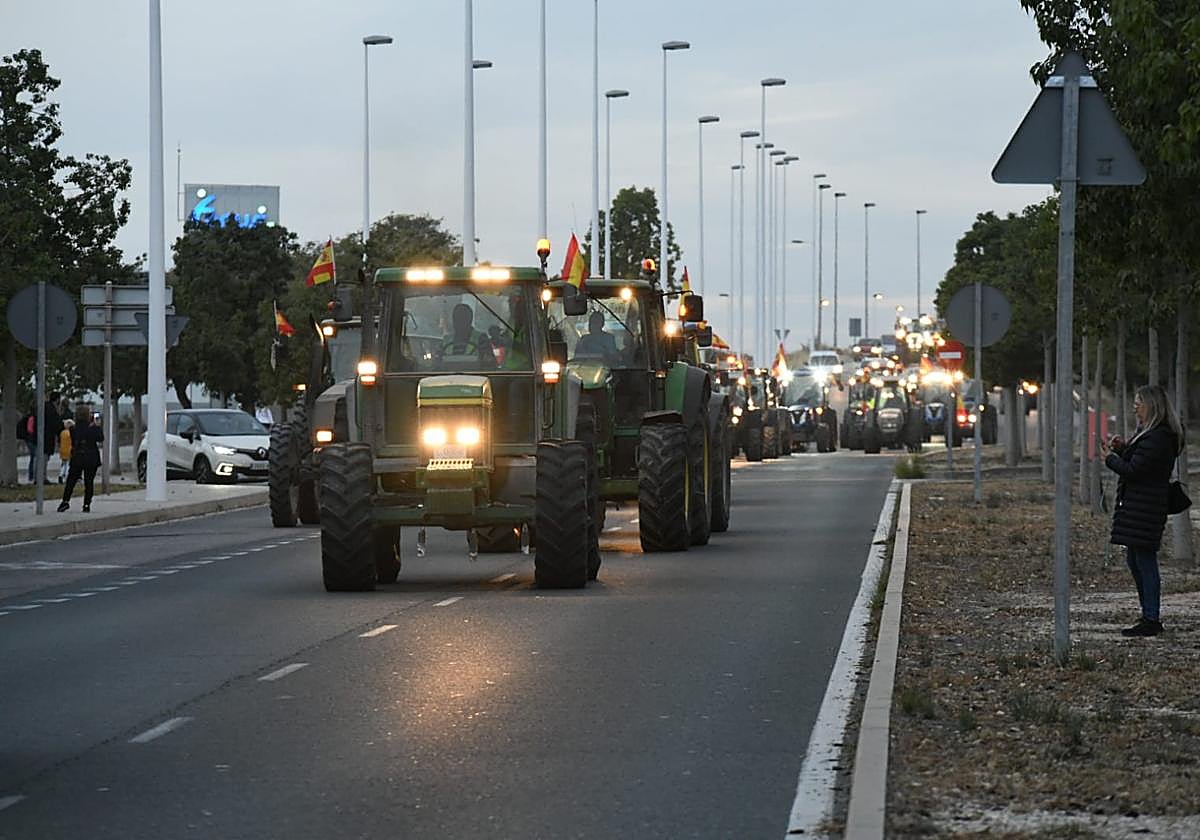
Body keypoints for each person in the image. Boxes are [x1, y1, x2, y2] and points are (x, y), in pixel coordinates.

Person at [1102, 384, 1184, 637]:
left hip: (1146, 507)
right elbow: (1141, 462)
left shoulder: (1157, 437)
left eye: (1139, 402)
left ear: (1152, 405)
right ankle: (1148, 614)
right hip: (1141, 506)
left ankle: (1151, 617)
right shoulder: (1150, 435)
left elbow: (1135, 471)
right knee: (1136, 560)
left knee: (1145, 561)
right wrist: (1123, 449)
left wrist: (1111, 459)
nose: (1135, 406)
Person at [58, 409, 103, 513]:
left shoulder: (74, 429)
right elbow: (100, 438)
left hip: (77, 457)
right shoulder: (92, 428)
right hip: (91, 458)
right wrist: (97, 425)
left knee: (71, 480)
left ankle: (65, 501)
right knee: (89, 482)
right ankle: (86, 505)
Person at [58, 418, 75, 483]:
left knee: (63, 464)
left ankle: (61, 474)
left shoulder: (62, 432)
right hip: (69, 450)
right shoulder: (70, 433)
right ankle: (66, 476)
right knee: (68, 464)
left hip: (62, 450)